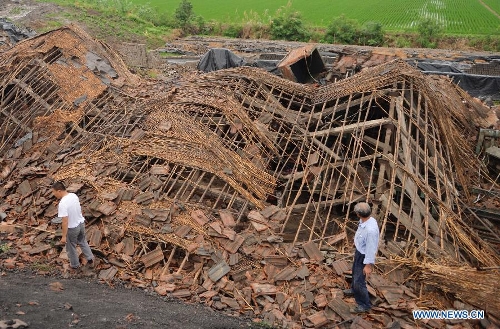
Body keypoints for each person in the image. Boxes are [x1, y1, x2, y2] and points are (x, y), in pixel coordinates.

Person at [52, 181, 95, 272]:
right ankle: (90, 259)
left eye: (54, 192)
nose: (54, 194)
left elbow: (65, 221)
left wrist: (64, 236)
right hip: (81, 223)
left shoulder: (63, 203)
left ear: (59, 191)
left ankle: (74, 265)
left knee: (71, 246)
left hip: (72, 227)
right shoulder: (73, 196)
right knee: (82, 241)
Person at [347, 202, 380, 313]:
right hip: (360, 251)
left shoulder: (370, 230)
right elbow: (361, 233)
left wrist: (368, 265)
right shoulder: (367, 220)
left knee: (359, 280)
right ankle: (354, 289)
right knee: (354, 272)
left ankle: (364, 304)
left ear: (358, 214)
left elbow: (371, 249)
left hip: (364, 256)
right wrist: (356, 242)